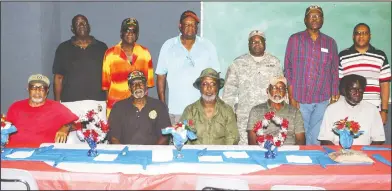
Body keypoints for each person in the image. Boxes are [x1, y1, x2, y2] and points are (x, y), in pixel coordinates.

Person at [284, 5, 339, 145]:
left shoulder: (330, 42)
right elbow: (288, 69)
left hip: (322, 99)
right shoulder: (295, 40)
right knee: (300, 137)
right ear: (305, 19)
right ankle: (301, 165)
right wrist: (291, 96)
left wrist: (334, 94)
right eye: (311, 15)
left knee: (316, 138)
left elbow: (334, 70)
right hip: (299, 99)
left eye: (318, 15)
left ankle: (312, 165)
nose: (315, 18)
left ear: (323, 20)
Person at [155, 10, 220, 125]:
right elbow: (161, 76)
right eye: (187, 24)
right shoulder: (168, 46)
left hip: (202, 110)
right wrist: (162, 105)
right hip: (175, 111)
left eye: (193, 24)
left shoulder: (208, 46)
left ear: (197, 27)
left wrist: (214, 105)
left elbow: (216, 77)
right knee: (176, 142)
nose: (190, 27)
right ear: (180, 26)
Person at [223, 30, 283, 145]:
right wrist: (229, 116)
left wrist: (282, 114)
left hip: (269, 117)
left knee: (269, 148)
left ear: (265, 43)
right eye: (253, 41)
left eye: (259, 41)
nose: (256, 44)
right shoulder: (238, 64)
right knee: (244, 151)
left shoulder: (275, 63)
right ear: (248, 44)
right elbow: (228, 93)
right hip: (244, 118)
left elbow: (281, 92)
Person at [338, 23, 390, 125]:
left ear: (370, 36)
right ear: (353, 36)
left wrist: (385, 110)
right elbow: (339, 85)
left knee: (373, 140)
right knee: (350, 139)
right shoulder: (343, 56)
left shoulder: (380, 56)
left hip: (374, 109)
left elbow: (385, 85)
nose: (361, 36)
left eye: (365, 33)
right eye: (358, 33)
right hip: (349, 108)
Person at [6, 74, 78, 146]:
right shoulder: (15, 107)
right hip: (13, 152)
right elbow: (5, 128)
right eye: (33, 87)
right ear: (28, 89)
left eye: (42, 88)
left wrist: (65, 128)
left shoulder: (57, 108)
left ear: (47, 91)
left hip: (43, 153)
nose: (37, 92)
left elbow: (76, 125)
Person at [102, 18, 154, 118]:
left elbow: (148, 83)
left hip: (140, 108)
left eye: (133, 31)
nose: (130, 33)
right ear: (121, 33)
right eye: (127, 30)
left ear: (137, 34)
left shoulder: (145, 53)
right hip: (116, 108)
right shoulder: (110, 54)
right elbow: (106, 86)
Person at [318, 74, 385, 145]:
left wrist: (366, 153)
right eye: (353, 89)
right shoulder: (332, 109)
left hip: (364, 153)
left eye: (360, 89)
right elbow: (325, 140)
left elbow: (378, 140)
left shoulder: (372, 109)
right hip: (338, 153)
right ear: (344, 90)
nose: (357, 93)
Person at [108, 71, 170, 145]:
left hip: (152, 153)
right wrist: (124, 153)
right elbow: (113, 137)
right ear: (129, 88)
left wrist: (152, 152)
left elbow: (166, 135)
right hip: (126, 153)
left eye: (141, 83)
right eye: (134, 84)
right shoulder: (118, 107)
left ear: (146, 85)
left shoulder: (159, 106)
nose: (138, 87)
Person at [180, 68, 239, 145]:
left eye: (213, 84)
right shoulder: (190, 110)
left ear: (218, 88)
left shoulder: (227, 110)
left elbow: (232, 138)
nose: (209, 88)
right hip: (196, 154)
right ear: (200, 87)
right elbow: (183, 137)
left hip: (220, 154)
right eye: (204, 84)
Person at [247, 76, 305, 145]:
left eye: (281, 88)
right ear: (267, 90)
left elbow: (300, 140)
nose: (278, 91)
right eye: (274, 88)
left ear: (286, 92)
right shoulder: (255, 111)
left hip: (288, 153)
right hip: (263, 153)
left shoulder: (295, 112)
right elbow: (252, 141)